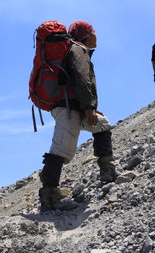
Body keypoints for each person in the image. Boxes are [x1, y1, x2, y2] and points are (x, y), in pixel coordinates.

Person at [39, 20, 118, 211]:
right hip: (68, 108)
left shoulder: (77, 50)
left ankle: (107, 171)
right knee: (62, 149)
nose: (96, 35)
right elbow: (81, 79)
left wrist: (88, 108)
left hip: (73, 107)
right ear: (87, 35)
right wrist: (89, 108)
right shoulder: (78, 50)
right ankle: (49, 196)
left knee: (102, 124)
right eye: (93, 31)